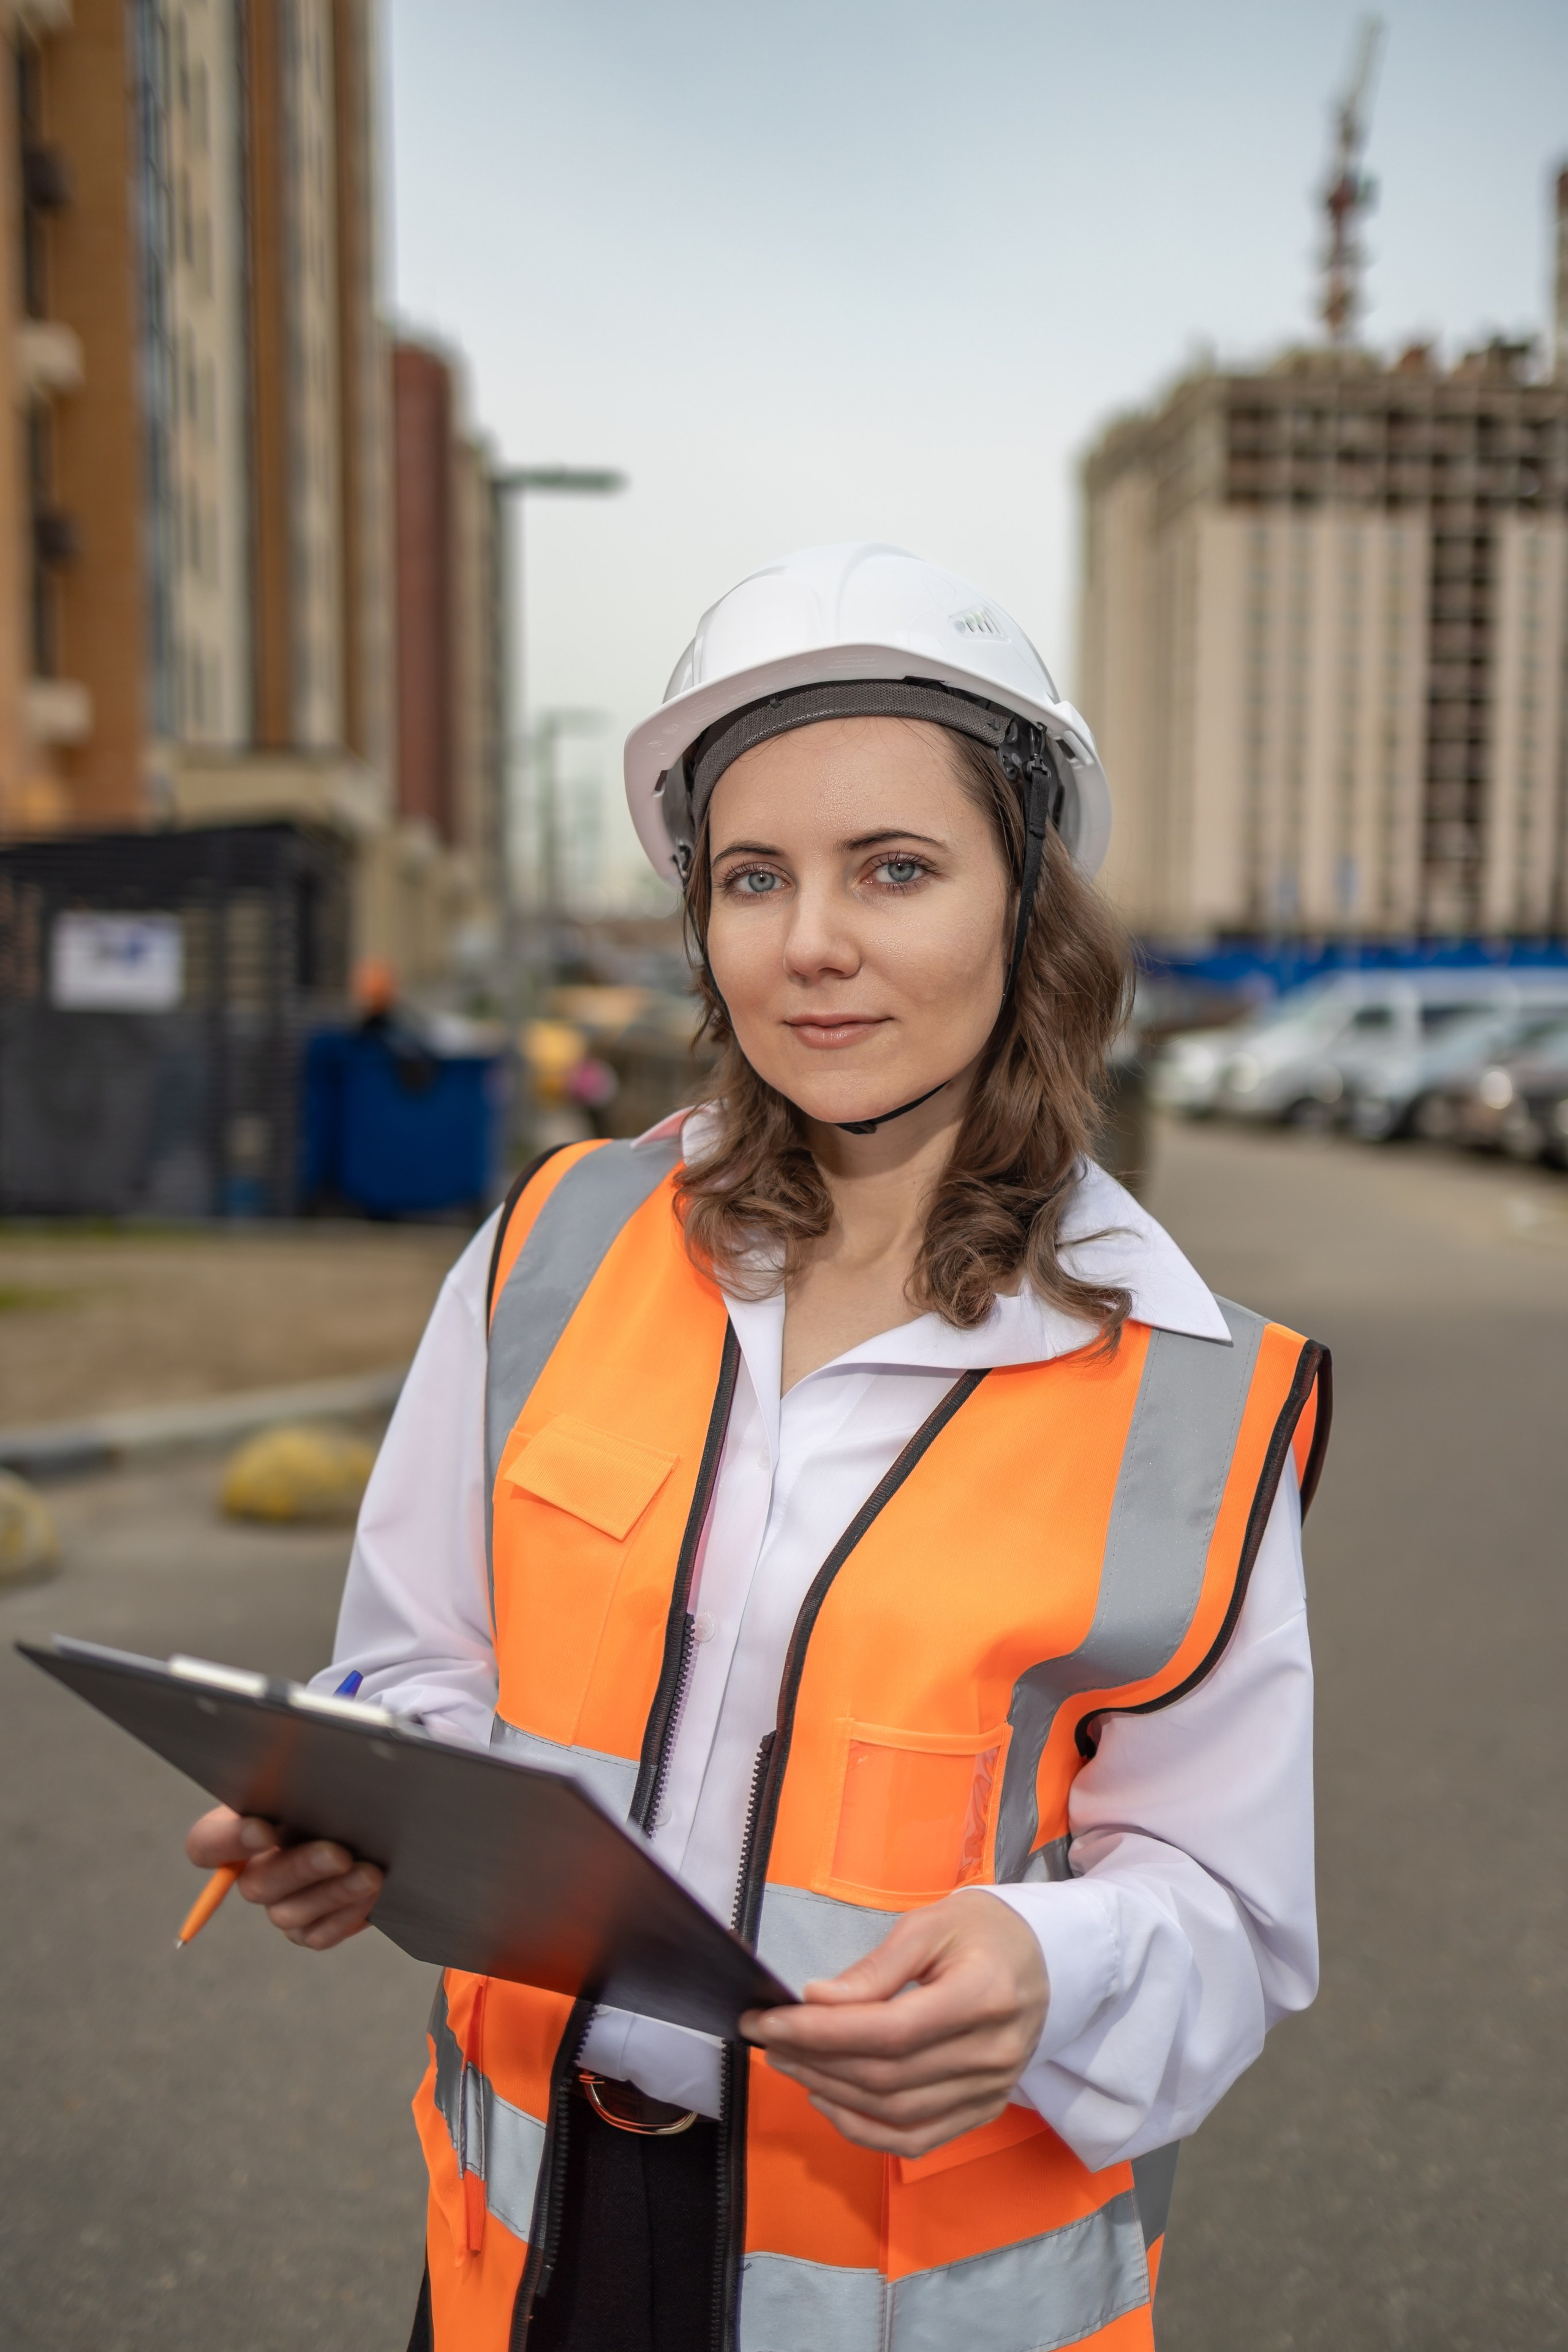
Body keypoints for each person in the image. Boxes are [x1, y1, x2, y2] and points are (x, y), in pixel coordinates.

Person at [187, 544, 1329, 2352]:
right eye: (752, 877)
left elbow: (1232, 1912)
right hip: (530, 2250)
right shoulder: (551, 1247)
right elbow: (427, 1665)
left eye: (894, 868)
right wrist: (369, 1800)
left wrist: (1058, 1967)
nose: (812, 942)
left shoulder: (1186, 1385)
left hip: (905, 2303)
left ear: (1024, 905)